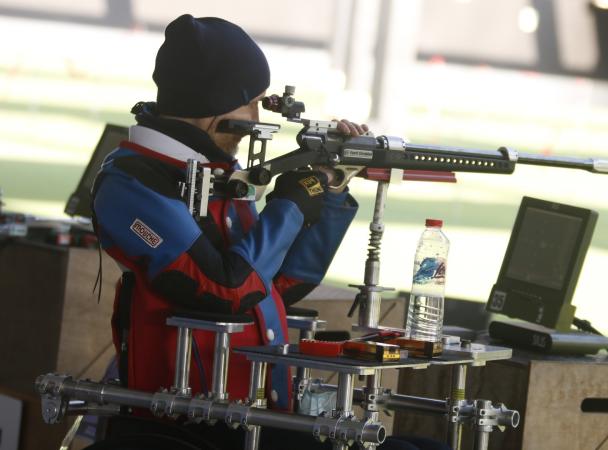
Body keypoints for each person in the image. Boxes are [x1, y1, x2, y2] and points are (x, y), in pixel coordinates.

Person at [92, 14, 449, 450]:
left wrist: (330, 189)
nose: (258, 117)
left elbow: (281, 283)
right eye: (252, 103)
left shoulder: (217, 173)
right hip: (194, 421)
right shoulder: (135, 181)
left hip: (256, 413)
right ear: (215, 108)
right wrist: (292, 203)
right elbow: (228, 287)